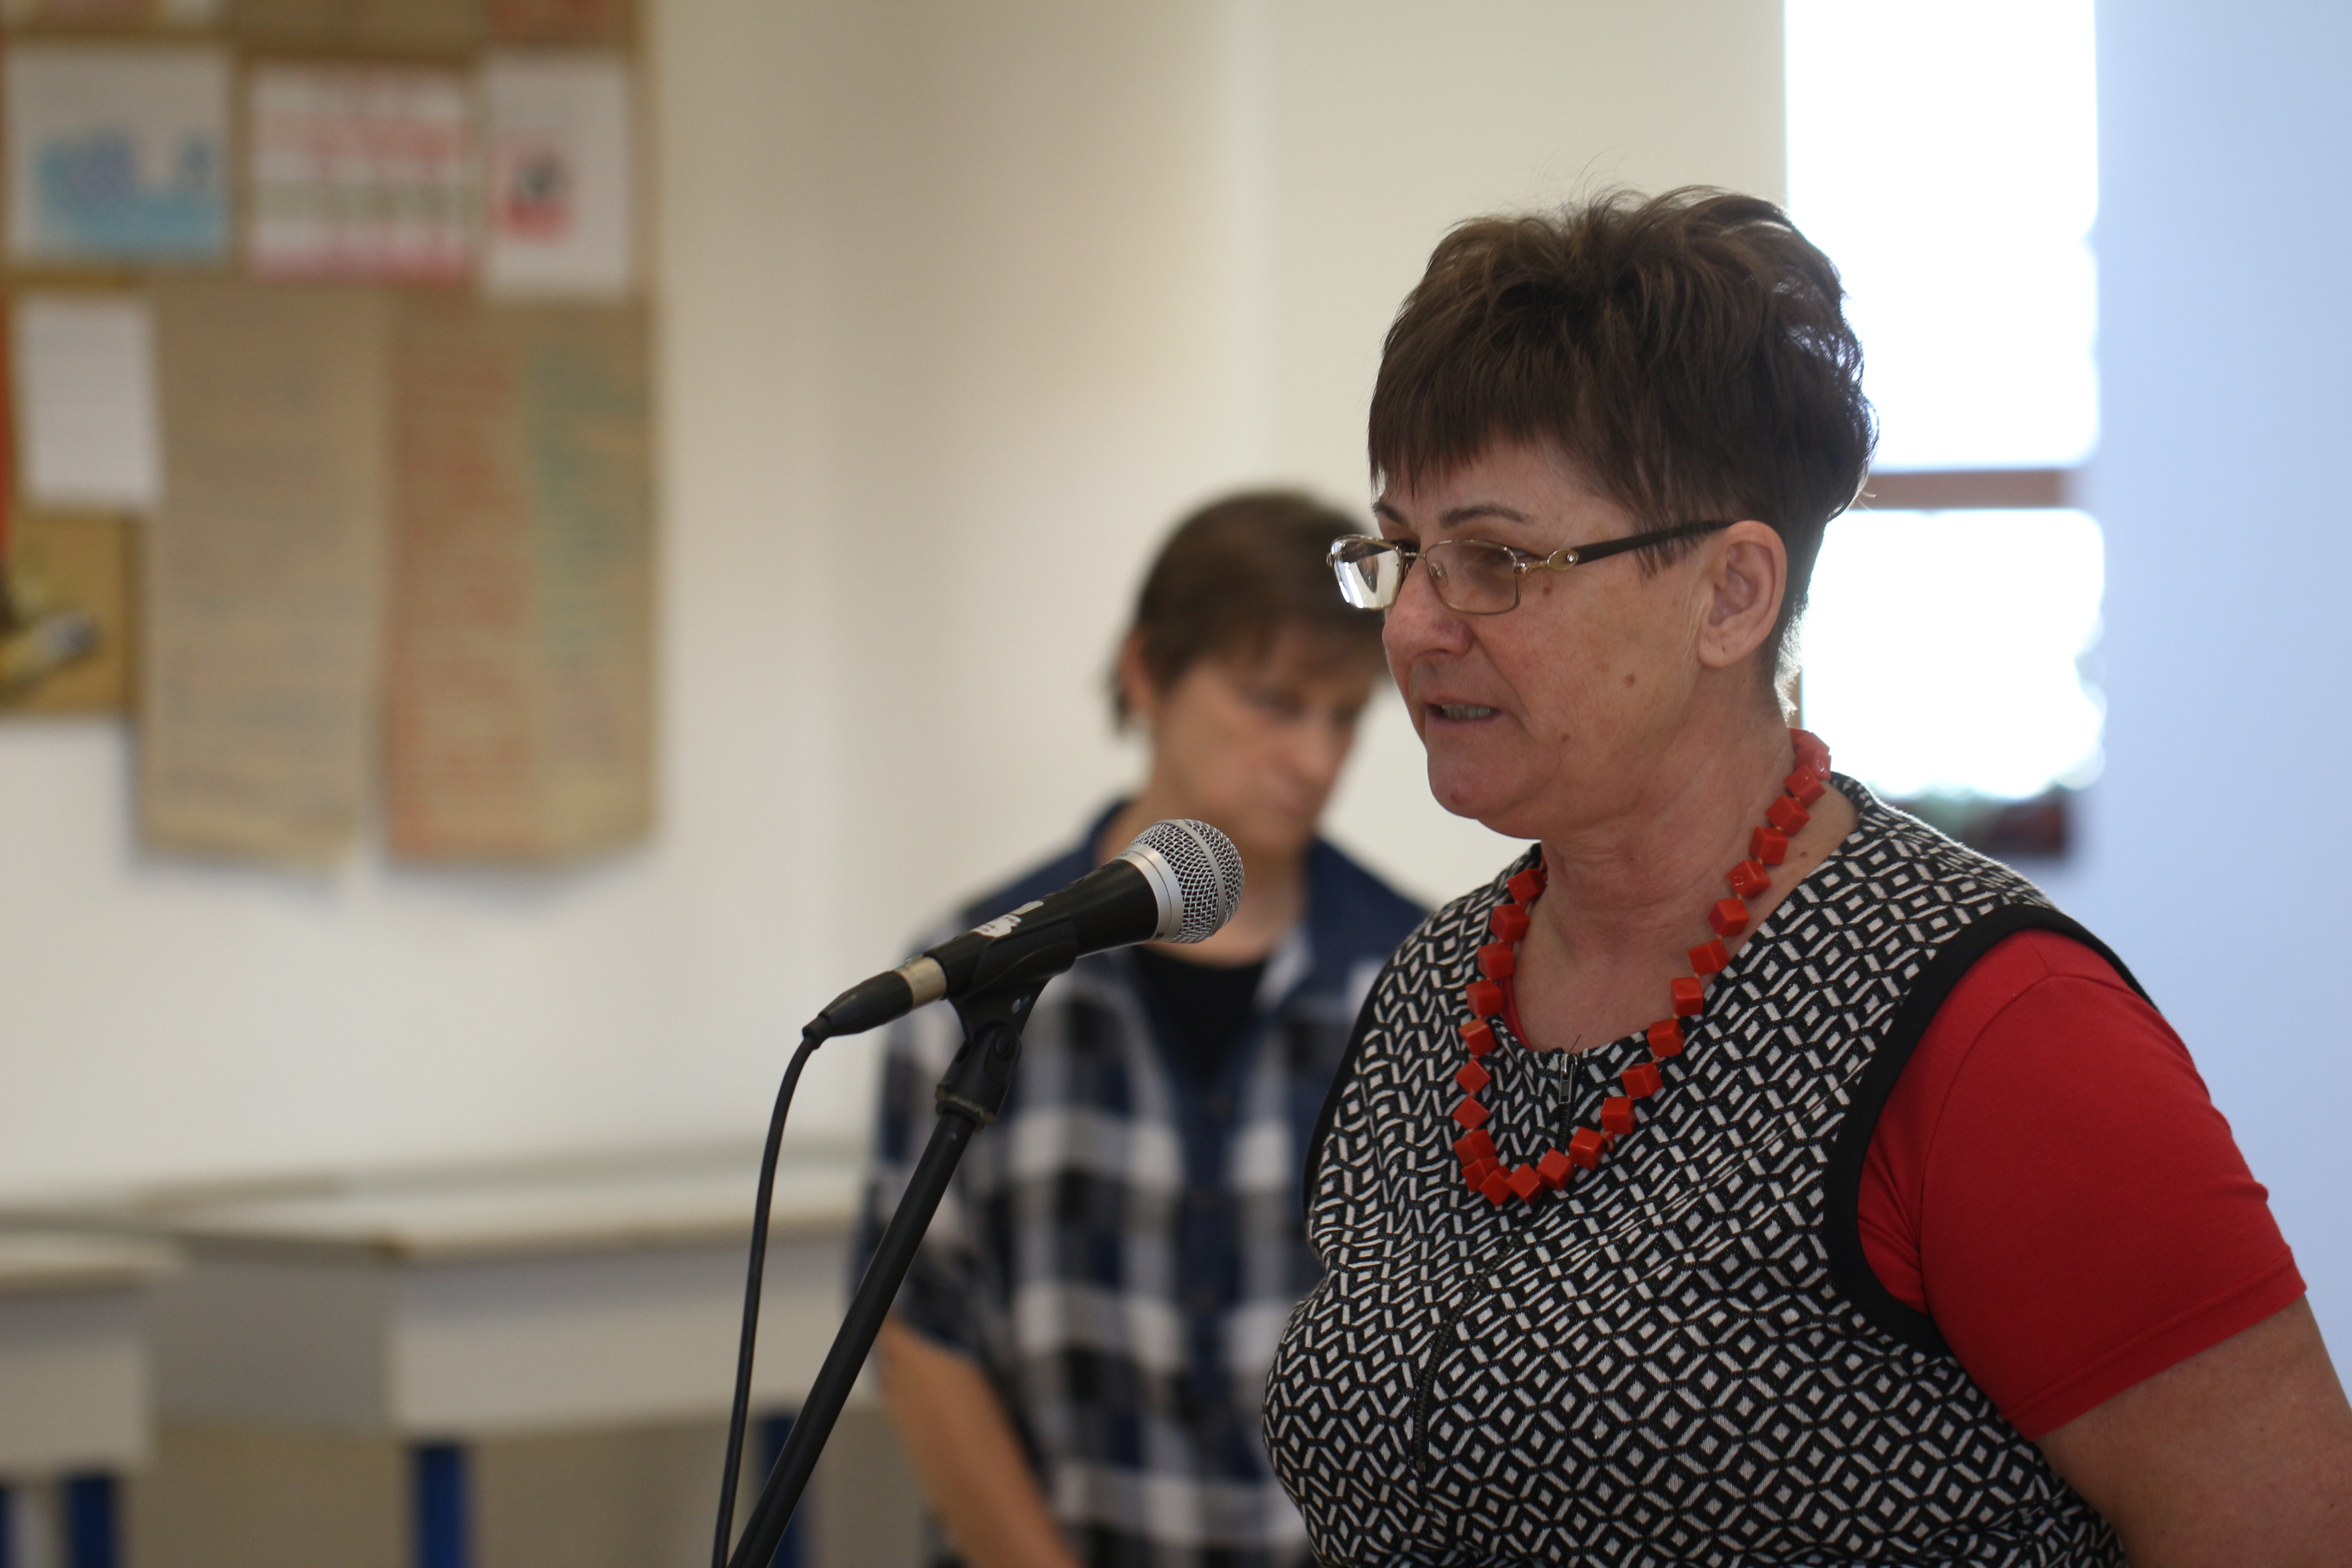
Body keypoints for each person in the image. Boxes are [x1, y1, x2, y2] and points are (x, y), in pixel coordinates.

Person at [1262, 190, 2352, 1567]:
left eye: (1494, 559)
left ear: (1731, 594)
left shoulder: (1995, 1027)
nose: (1418, 623)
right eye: (1401, 551)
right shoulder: (1436, 990)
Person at [856, 491, 1426, 1568]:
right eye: (1273, 703)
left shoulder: (1417, 980)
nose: (1315, 760)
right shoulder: (977, 976)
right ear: (1147, 675)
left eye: (1345, 717)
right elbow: (920, 1331)